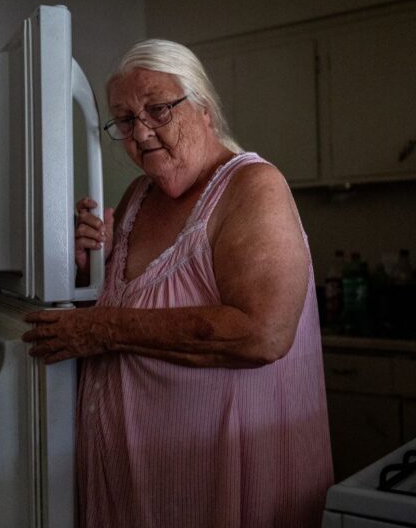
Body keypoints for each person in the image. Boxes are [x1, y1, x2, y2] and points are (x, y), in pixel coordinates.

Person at [22, 39, 333, 527]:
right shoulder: (136, 195)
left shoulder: (252, 186)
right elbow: (122, 308)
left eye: (159, 110)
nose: (141, 132)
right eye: (124, 120)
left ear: (203, 106)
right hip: (131, 482)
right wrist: (82, 272)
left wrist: (101, 329)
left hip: (216, 482)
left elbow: (262, 334)